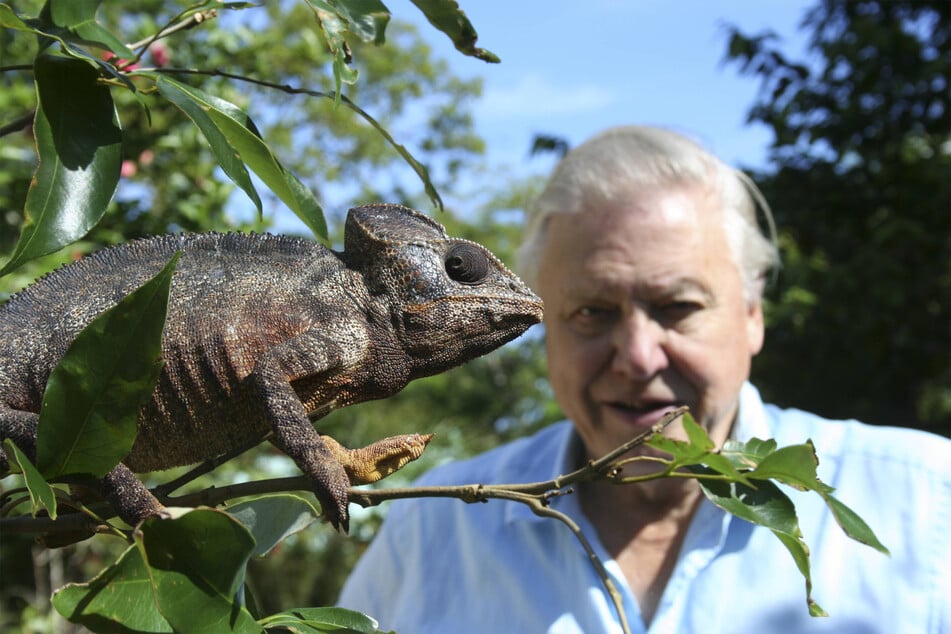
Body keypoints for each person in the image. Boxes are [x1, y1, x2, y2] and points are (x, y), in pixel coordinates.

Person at [337, 126, 951, 633]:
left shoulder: (927, 508)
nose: (636, 356)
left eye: (678, 307)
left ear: (753, 315)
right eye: (591, 313)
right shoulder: (434, 530)